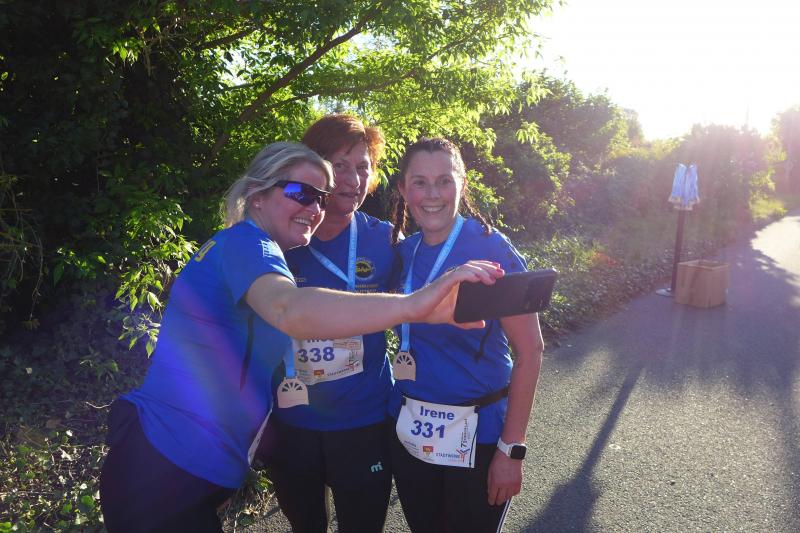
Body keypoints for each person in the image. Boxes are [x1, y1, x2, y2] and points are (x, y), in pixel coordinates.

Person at [98, 141, 502, 533]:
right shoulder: (246, 244)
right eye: (299, 193)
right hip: (164, 469)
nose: (313, 208)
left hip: (190, 468)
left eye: (320, 198)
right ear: (258, 195)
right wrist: (414, 305)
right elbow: (288, 309)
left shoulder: (259, 248)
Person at [388, 138, 544, 533]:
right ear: (403, 189)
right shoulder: (404, 253)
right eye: (420, 183)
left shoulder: (490, 246)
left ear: (463, 183)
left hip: (480, 435)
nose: (432, 194)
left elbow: (530, 351)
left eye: (444, 181)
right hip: (412, 430)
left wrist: (512, 449)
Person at [263, 115, 395, 532]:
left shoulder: (386, 239)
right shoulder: (276, 241)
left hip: (365, 420)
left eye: (363, 167)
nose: (353, 180)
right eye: (339, 165)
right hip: (292, 420)